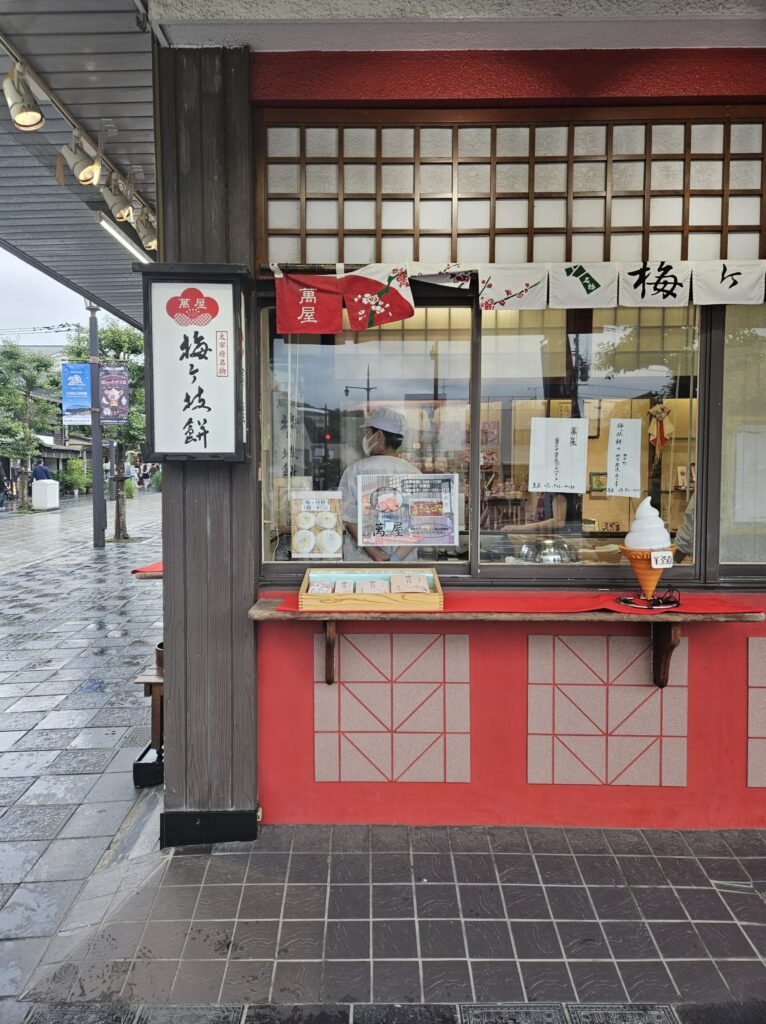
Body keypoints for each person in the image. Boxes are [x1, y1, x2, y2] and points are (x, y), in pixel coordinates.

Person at [339, 407, 421, 563]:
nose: (365, 438)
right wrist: (395, 558)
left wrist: (375, 554)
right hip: (402, 565)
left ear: (378, 435)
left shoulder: (355, 471)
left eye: (367, 433)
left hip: (363, 562)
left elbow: (348, 519)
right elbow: (420, 523)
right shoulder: (414, 473)